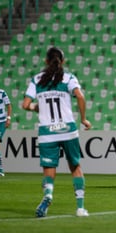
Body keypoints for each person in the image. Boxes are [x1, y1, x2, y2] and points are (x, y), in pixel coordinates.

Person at [22, 47, 92, 217]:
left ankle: (48, 195)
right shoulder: (68, 78)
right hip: (67, 129)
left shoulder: (37, 79)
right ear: (63, 61)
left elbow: (25, 105)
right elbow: (80, 97)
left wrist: (36, 107)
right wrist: (83, 119)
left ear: (46, 61)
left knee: (49, 169)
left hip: (47, 132)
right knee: (75, 167)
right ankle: (80, 208)